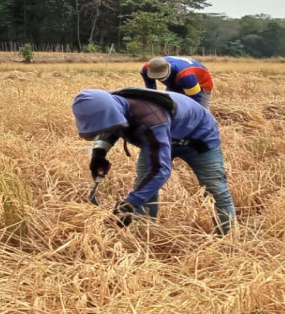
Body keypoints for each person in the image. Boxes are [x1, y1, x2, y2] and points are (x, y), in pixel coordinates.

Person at [72, 87, 236, 234]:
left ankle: (227, 240)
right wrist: (99, 154)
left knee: (216, 190)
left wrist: (130, 203)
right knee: (144, 185)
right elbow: (111, 127)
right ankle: (145, 235)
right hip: (156, 139)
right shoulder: (112, 105)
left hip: (199, 140)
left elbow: (160, 170)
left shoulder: (151, 118)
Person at [141, 56, 214, 109]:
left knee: (200, 112)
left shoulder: (186, 75)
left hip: (201, 84)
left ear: (169, 70)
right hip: (174, 82)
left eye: (162, 77)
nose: (160, 79)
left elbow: (195, 99)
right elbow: (151, 89)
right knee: (170, 107)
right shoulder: (147, 68)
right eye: (157, 77)